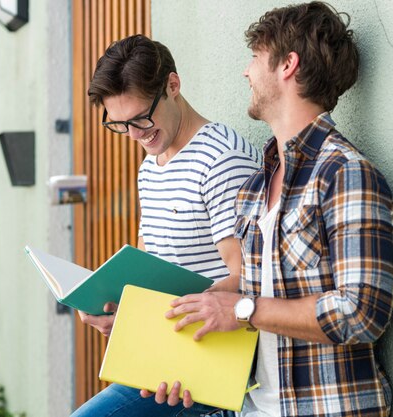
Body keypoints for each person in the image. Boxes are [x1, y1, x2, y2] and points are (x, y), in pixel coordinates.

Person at [154, 2, 393, 416]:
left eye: (255, 58)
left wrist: (243, 309)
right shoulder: (254, 189)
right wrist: (178, 343)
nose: (246, 72)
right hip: (253, 406)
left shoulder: (345, 174)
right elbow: (251, 298)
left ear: (288, 64)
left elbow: (361, 312)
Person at [71, 34, 261, 417]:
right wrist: (117, 311)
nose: (136, 135)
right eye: (120, 125)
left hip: (215, 356)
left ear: (172, 86)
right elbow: (153, 268)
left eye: (141, 118)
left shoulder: (221, 159)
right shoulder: (151, 167)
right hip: (171, 348)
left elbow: (250, 276)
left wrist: (158, 318)